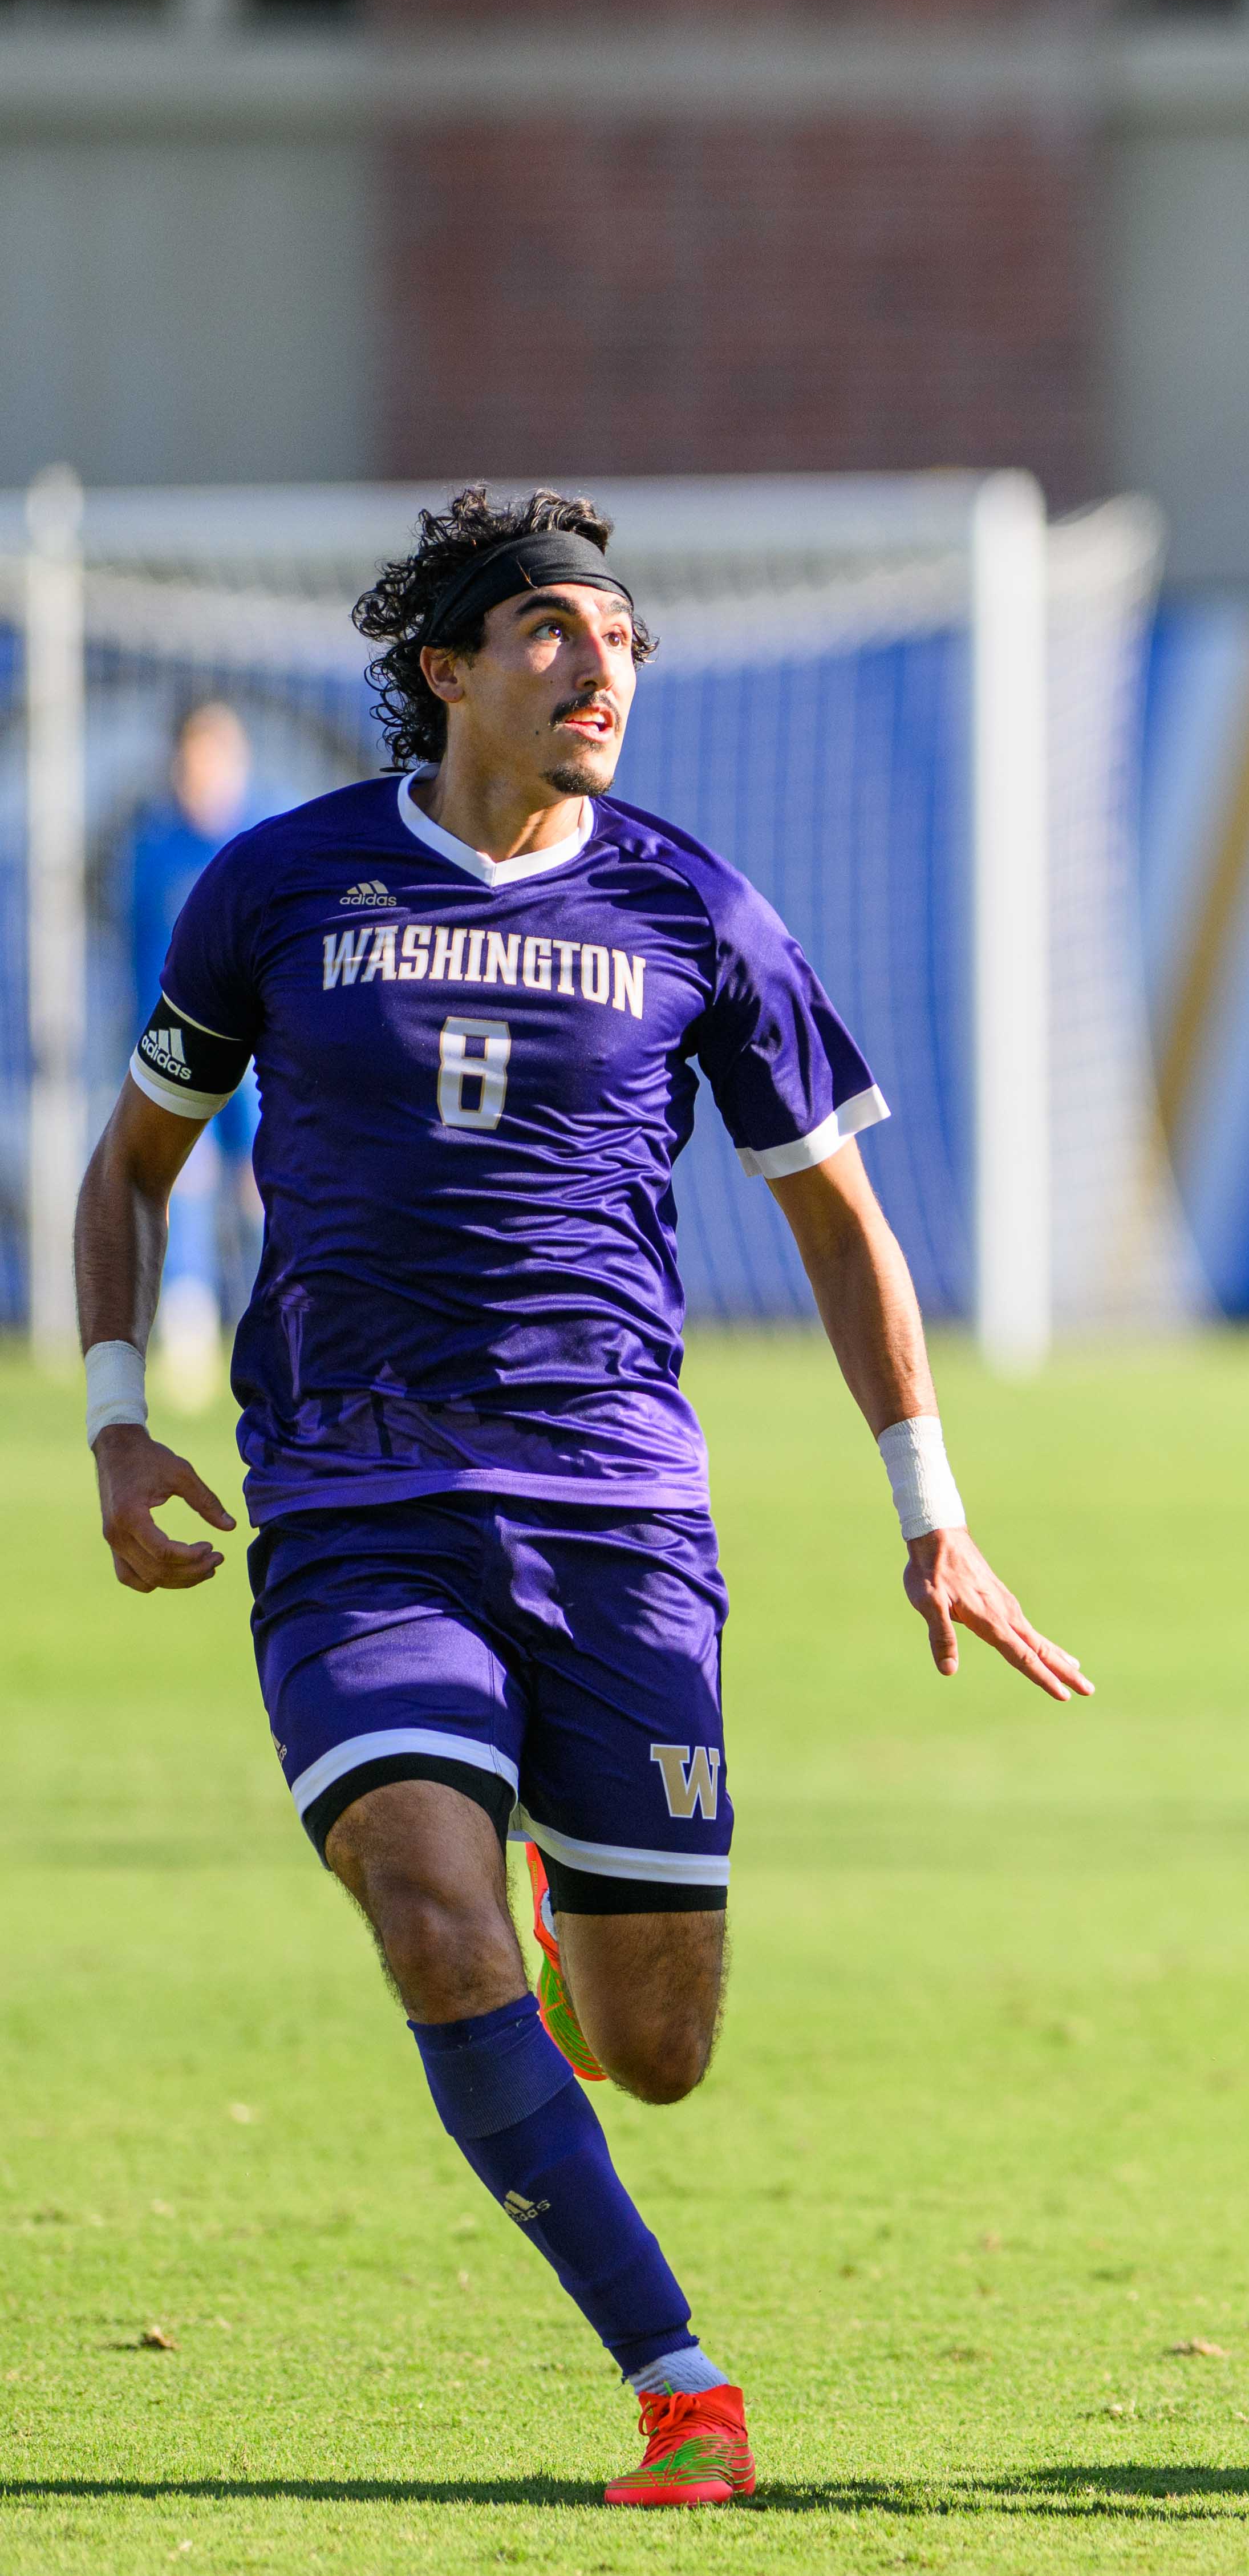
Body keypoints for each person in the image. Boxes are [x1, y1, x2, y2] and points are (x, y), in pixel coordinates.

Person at [75, 488, 1090, 2508]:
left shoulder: (698, 908)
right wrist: (117, 1415)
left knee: (660, 2042)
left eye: (621, 637)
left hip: (619, 1510)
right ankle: (680, 2381)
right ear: (444, 669)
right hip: (359, 1499)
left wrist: (932, 1505)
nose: (600, 665)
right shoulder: (279, 888)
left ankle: (573, 1913)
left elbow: (841, 1222)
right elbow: (131, 1169)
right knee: (423, 1902)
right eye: (552, 629)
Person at [121, 700, 265, 1410]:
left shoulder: (267, 842)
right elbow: (141, 961)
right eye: (193, 757)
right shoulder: (154, 850)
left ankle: (283, 1331)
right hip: (184, 1044)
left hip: (262, 1058)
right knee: (184, 1183)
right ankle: (186, 1341)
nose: (203, 772)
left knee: (263, 1188)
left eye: (219, 754)